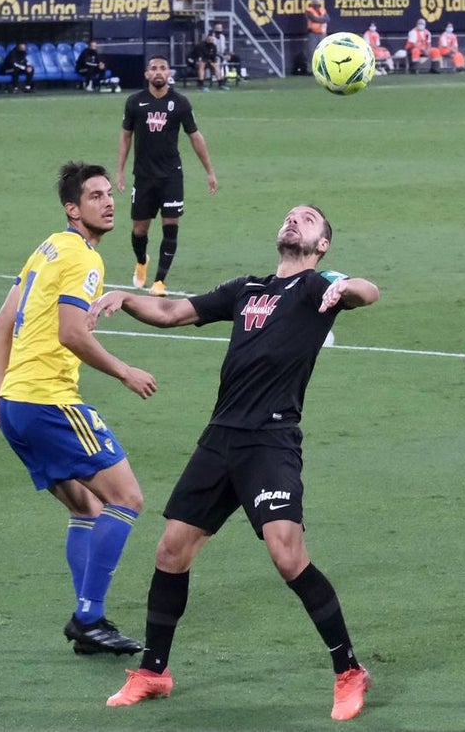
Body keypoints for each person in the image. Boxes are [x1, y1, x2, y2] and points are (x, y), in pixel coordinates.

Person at [90, 204, 380, 720]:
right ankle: (154, 672)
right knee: (171, 551)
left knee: (287, 555)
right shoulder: (248, 288)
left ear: (322, 245)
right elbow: (174, 313)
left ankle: (350, 671)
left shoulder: (317, 286)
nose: (294, 221)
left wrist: (344, 287)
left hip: (270, 440)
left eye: (308, 220)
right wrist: (125, 298)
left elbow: (367, 291)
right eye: (290, 216)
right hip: (220, 438)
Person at [0, 161, 155, 658]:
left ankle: (89, 621)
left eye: (108, 194)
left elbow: (1, 320)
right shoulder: (84, 259)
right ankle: (88, 618)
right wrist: (125, 371)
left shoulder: (47, 246)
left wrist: (0, 390)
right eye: (95, 196)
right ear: (73, 209)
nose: (108, 201)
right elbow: (71, 333)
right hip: (49, 402)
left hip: (17, 406)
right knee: (127, 498)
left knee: (85, 506)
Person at [116, 55, 217, 298]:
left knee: (170, 226)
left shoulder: (180, 103)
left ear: (169, 72)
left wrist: (209, 171)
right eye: (154, 68)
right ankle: (142, 261)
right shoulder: (134, 102)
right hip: (143, 177)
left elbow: (195, 136)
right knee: (139, 230)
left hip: (171, 176)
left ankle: (160, 281)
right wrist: (119, 170)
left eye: (163, 68)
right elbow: (126, 136)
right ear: (147, 75)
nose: (158, 72)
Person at [303, 0, 328, 75]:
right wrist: (321, 19)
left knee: (323, 52)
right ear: (312, 4)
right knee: (312, 52)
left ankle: (322, 69)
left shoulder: (323, 10)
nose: (317, 6)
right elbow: (313, 19)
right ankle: (310, 70)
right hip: (313, 33)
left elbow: (327, 19)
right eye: (315, 4)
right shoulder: (309, 11)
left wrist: (320, 19)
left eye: (318, 4)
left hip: (322, 34)